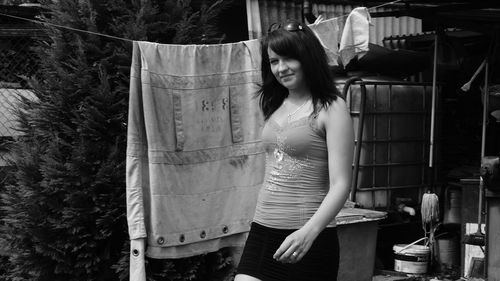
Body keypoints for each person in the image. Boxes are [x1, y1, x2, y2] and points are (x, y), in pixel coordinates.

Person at [234, 19, 355, 281]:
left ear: (307, 57)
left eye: (289, 59)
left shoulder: (331, 107)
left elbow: (342, 184)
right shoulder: (274, 103)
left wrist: (308, 233)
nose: (281, 68)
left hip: (308, 235)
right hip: (263, 228)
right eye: (274, 61)